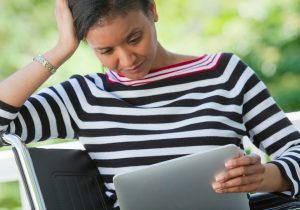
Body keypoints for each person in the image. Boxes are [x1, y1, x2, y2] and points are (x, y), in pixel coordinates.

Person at [0, 0, 299, 209]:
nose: (127, 60)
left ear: (152, 10)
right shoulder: (84, 96)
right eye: (105, 50)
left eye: (134, 38)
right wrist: (60, 49)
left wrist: (265, 178)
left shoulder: (225, 73)